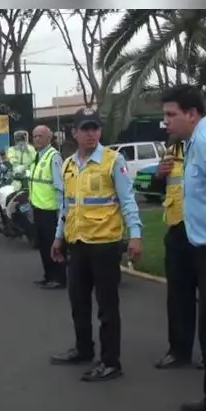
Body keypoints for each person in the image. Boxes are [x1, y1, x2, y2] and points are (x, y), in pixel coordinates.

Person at [50, 107, 142, 382]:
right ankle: (83, 349)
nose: (91, 134)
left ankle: (111, 362)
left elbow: (128, 201)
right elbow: (67, 206)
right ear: (74, 132)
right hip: (77, 243)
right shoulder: (68, 165)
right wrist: (59, 236)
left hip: (105, 244)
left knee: (107, 306)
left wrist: (135, 235)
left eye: (95, 128)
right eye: (85, 128)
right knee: (78, 302)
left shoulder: (113, 161)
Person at [161, 84, 206, 411]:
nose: (166, 122)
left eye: (171, 115)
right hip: (202, 246)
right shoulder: (192, 144)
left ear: (193, 114)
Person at [151, 136, 203, 370]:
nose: (166, 122)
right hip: (177, 229)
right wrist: (159, 175)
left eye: (171, 115)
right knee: (178, 296)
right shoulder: (172, 150)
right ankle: (178, 351)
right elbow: (159, 189)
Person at [28, 125, 66, 289]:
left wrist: (61, 212)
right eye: (34, 136)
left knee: (54, 245)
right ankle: (48, 275)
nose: (36, 139)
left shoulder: (53, 156)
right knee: (43, 245)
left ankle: (59, 278)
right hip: (38, 207)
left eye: (40, 136)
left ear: (49, 138)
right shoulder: (37, 156)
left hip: (51, 210)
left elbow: (60, 186)